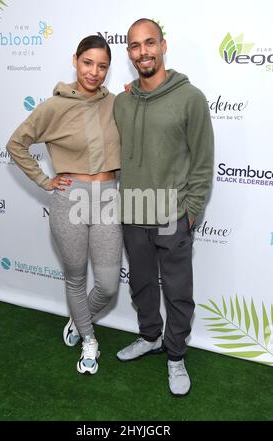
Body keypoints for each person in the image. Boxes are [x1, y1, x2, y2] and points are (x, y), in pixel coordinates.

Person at [6, 35, 122, 375]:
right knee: (75, 277)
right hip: (69, 199)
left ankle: (77, 318)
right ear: (75, 60)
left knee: (108, 284)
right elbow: (16, 144)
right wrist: (45, 181)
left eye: (102, 66)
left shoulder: (116, 103)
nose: (94, 72)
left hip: (109, 198)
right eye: (88, 63)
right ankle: (88, 337)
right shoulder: (53, 106)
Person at [114, 19, 214, 395]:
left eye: (150, 43)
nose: (144, 52)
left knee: (177, 291)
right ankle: (150, 336)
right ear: (129, 53)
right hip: (131, 214)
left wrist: (191, 211)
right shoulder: (122, 101)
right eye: (136, 46)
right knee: (141, 286)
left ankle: (175, 355)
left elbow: (203, 162)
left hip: (173, 215)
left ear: (163, 45)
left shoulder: (191, 98)